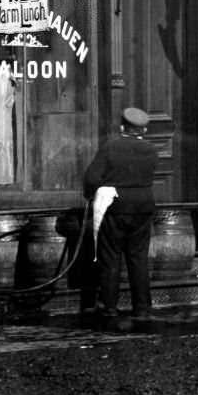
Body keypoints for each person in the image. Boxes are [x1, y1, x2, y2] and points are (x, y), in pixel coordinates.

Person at [82, 107, 158, 322]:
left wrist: (90, 194)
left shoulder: (111, 148)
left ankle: (109, 307)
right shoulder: (151, 150)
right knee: (138, 258)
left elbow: (92, 178)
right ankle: (142, 308)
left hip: (115, 207)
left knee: (110, 257)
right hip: (143, 207)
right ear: (143, 129)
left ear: (122, 127)